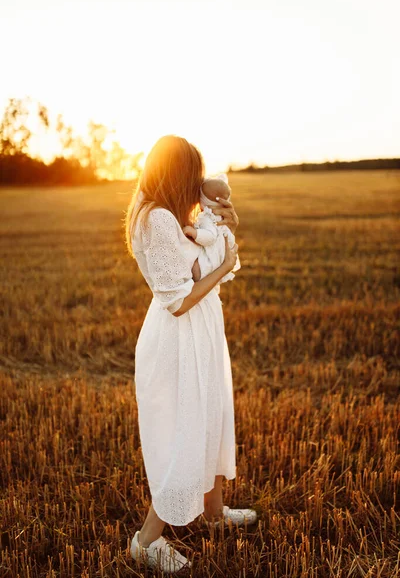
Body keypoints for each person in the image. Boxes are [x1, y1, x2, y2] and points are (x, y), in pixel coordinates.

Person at [124, 135, 257, 574]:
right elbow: (178, 300)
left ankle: (214, 513)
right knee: (183, 433)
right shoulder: (157, 219)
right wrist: (221, 266)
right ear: (176, 174)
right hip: (178, 337)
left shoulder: (168, 214)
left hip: (201, 330)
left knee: (211, 417)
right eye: (192, 174)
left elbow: (209, 259)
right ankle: (147, 540)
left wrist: (223, 225)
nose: (197, 183)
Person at [182, 172, 241, 285]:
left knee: (196, 267)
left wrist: (195, 233)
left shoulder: (208, 217)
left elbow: (210, 236)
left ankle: (199, 275)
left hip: (212, 260)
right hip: (221, 255)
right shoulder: (220, 216)